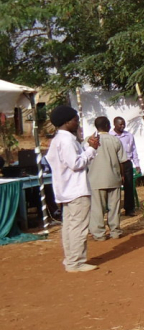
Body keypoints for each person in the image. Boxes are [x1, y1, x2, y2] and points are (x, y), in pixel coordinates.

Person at [46, 106, 100, 272]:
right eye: (75, 120)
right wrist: (91, 149)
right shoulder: (67, 140)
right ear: (66, 121)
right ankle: (75, 262)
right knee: (78, 227)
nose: (77, 123)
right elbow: (75, 164)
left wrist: (86, 147)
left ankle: (71, 259)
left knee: (69, 226)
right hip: (76, 189)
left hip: (66, 189)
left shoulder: (58, 140)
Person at [88, 116, 128, 240]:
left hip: (95, 179)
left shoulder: (88, 141)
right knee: (114, 207)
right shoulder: (115, 140)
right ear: (107, 125)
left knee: (97, 208)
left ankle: (99, 234)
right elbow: (122, 161)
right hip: (113, 178)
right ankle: (115, 231)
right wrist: (122, 175)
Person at [110, 116, 140, 216]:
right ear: (114, 124)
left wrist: (137, 164)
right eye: (120, 124)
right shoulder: (110, 136)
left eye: (124, 124)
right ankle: (114, 210)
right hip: (115, 163)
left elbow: (134, 150)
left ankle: (129, 209)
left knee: (129, 186)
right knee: (114, 187)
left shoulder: (129, 136)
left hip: (127, 163)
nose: (122, 126)